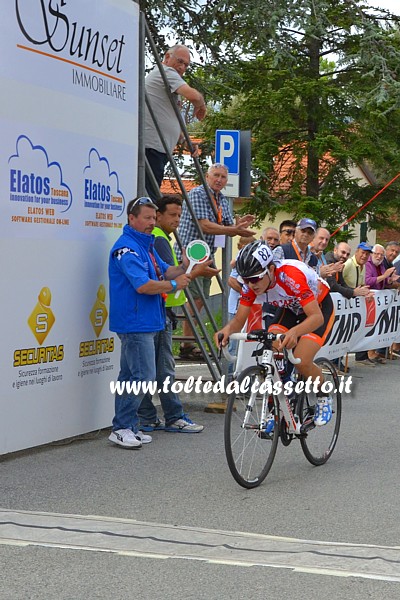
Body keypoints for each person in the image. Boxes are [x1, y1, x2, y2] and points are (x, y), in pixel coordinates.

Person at [215, 241, 335, 428]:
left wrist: (295, 332)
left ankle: (323, 395)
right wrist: (227, 330)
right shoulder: (250, 284)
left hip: (318, 308)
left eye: (255, 279)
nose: (249, 285)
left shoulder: (290, 276)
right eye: (245, 280)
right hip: (289, 308)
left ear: (271, 269)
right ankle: (279, 405)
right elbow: (239, 319)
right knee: (274, 349)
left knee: (301, 360)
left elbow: (316, 317)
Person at [108, 196, 193, 449]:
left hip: (146, 321)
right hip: (135, 323)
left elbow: (166, 270)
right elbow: (143, 285)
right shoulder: (127, 248)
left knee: (130, 375)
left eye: (153, 218)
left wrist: (185, 267)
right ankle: (122, 426)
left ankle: (127, 426)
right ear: (131, 218)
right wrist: (176, 284)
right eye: (146, 218)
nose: (151, 223)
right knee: (142, 376)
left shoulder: (146, 245)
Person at [137, 194, 218, 432]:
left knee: (153, 369)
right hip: (161, 310)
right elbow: (166, 276)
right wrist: (194, 273)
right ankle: (171, 416)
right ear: (158, 216)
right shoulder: (159, 239)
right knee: (162, 369)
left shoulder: (159, 238)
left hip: (161, 309)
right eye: (172, 215)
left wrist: (189, 270)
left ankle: (151, 416)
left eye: (180, 215)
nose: (177, 220)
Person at [176, 163, 255, 359]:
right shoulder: (198, 194)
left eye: (223, 177)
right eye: (216, 176)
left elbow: (227, 224)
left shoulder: (220, 198)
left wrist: (239, 224)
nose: (219, 180)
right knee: (195, 299)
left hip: (205, 256)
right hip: (191, 256)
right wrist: (234, 230)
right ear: (207, 176)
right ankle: (186, 344)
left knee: (200, 299)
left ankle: (188, 343)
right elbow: (206, 226)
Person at [145, 44, 207, 200]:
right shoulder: (166, 72)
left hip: (158, 149)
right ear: (167, 57)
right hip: (151, 147)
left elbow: (168, 118)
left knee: (151, 197)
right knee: (150, 200)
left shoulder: (170, 79)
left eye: (186, 65)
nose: (182, 67)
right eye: (180, 61)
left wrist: (184, 141)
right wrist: (201, 104)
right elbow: (193, 96)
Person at [325, 242, 372, 372]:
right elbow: (332, 285)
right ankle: (328, 362)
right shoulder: (330, 261)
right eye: (342, 252)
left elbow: (342, 283)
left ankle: (335, 361)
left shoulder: (341, 263)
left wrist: (355, 292)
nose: (344, 256)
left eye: (346, 254)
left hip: (339, 304)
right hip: (328, 304)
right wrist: (353, 292)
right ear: (335, 250)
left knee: (339, 333)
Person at [365, 244, 400, 363]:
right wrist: (385, 277)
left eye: (381, 255)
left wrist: (390, 280)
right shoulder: (368, 264)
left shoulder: (381, 265)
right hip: (370, 300)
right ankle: (368, 354)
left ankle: (375, 352)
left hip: (379, 300)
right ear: (372, 254)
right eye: (377, 254)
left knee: (379, 326)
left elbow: (384, 281)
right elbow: (368, 280)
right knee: (369, 327)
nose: (379, 256)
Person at [342, 242, 375, 366]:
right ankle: (334, 362)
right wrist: (351, 291)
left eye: (367, 254)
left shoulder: (363, 265)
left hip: (352, 303)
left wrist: (365, 292)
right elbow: (338, 281)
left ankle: (359, 357)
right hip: (345, 301)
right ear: (357, 252)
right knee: (342, 333)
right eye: (363, 253)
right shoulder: (349, 264)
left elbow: (360, 284)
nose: (364, 256)